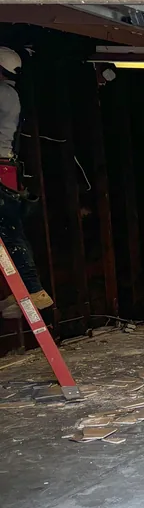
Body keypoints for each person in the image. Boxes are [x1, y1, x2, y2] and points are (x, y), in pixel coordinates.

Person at [0, 46, 52, 320]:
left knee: (9, 232)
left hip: (0, 169)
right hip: (5, 169)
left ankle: (31, 288)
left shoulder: (3, 93)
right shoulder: (10, 94)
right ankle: (28, 287)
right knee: (10, 230)